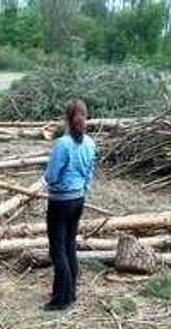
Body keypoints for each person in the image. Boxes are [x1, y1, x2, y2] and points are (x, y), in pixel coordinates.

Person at [42, 98, 96, 311]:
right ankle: (70, 292)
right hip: (78, 200)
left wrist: (45, 183)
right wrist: (83, 188)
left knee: (58, 249)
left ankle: (61, 298)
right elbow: (90, 172)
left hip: (60, 202)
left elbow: (52, 175)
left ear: (66, 118)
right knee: (69, 245)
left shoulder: (62, 144)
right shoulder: (90, 143)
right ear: (85, 117)